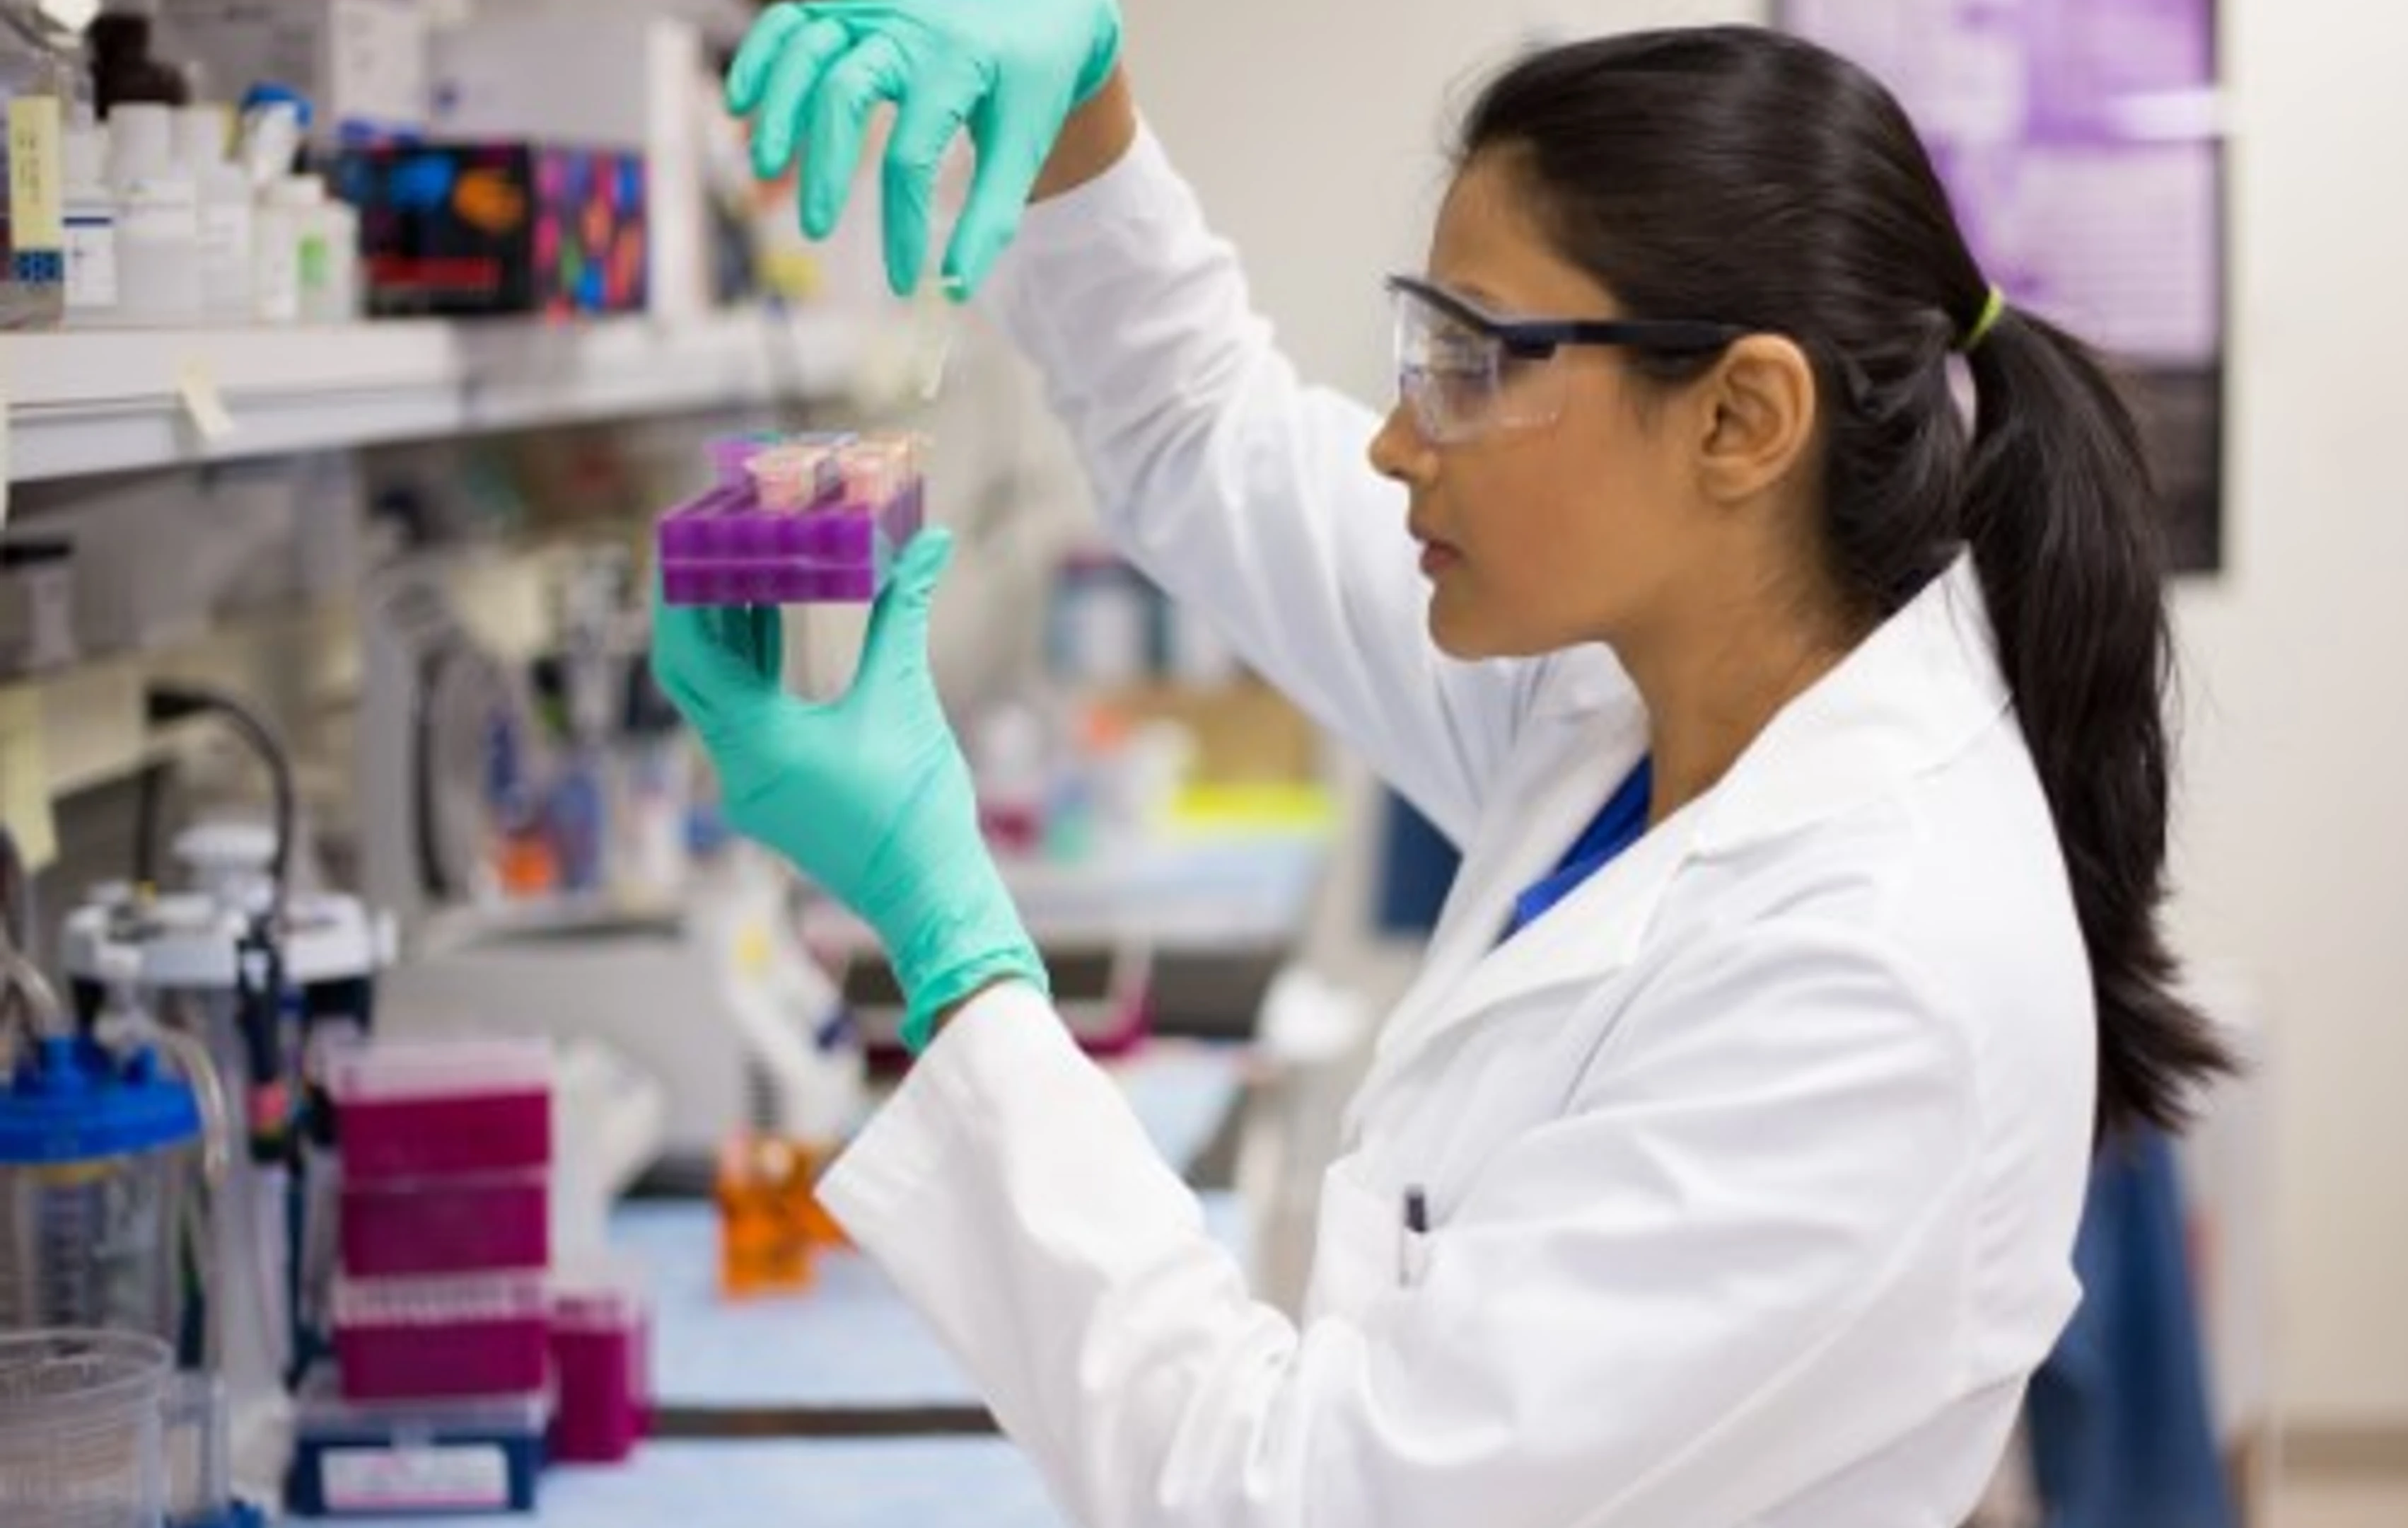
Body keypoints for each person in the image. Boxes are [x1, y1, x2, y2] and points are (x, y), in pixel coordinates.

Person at [651, 6, 2235, 1524]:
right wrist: (1085, 107)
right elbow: (1202, 429)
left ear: (1743, 419)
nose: (1403, 438)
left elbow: (1296, 1504)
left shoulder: (1878, 978)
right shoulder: (1645, 713)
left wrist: (951, 942)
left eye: (1472, 359)